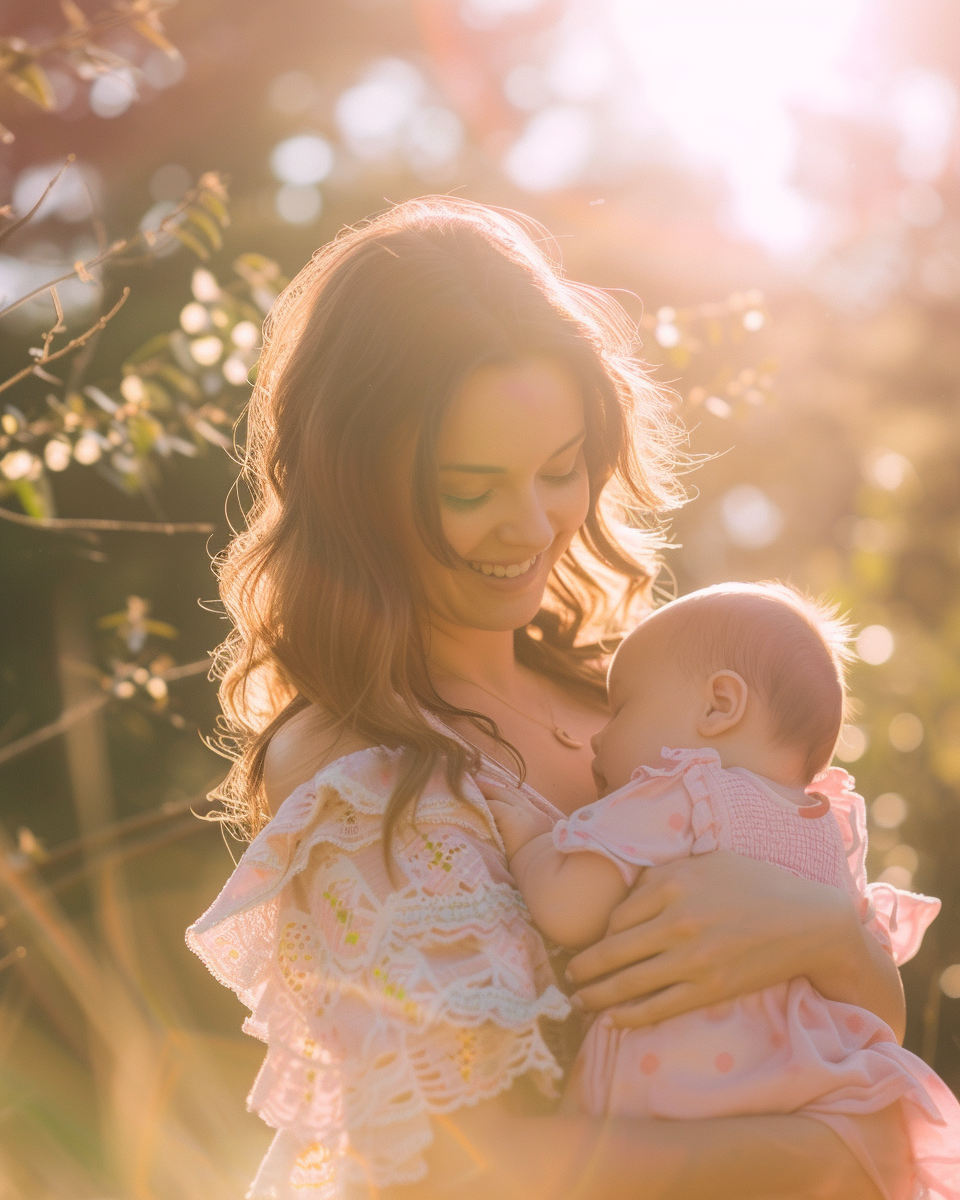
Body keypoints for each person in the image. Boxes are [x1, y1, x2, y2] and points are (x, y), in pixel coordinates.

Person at [186, 197, 908, 1200]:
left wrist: (824, 932)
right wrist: (839, 1156)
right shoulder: (366, 773)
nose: (530, 525)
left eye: (560, 470)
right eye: (469, 487)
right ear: (357, 484)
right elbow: (469, 1171)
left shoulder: (634, 691)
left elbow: (862, 1015)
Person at [481, 582, 958, 1200]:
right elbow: (874, 1009)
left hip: (680, 1106)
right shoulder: (825, 832)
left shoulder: (682, 792)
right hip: (803, 1111)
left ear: (719, 705)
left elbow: (566, 908)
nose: (600, 738)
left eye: (621, 708)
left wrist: (529, 836)